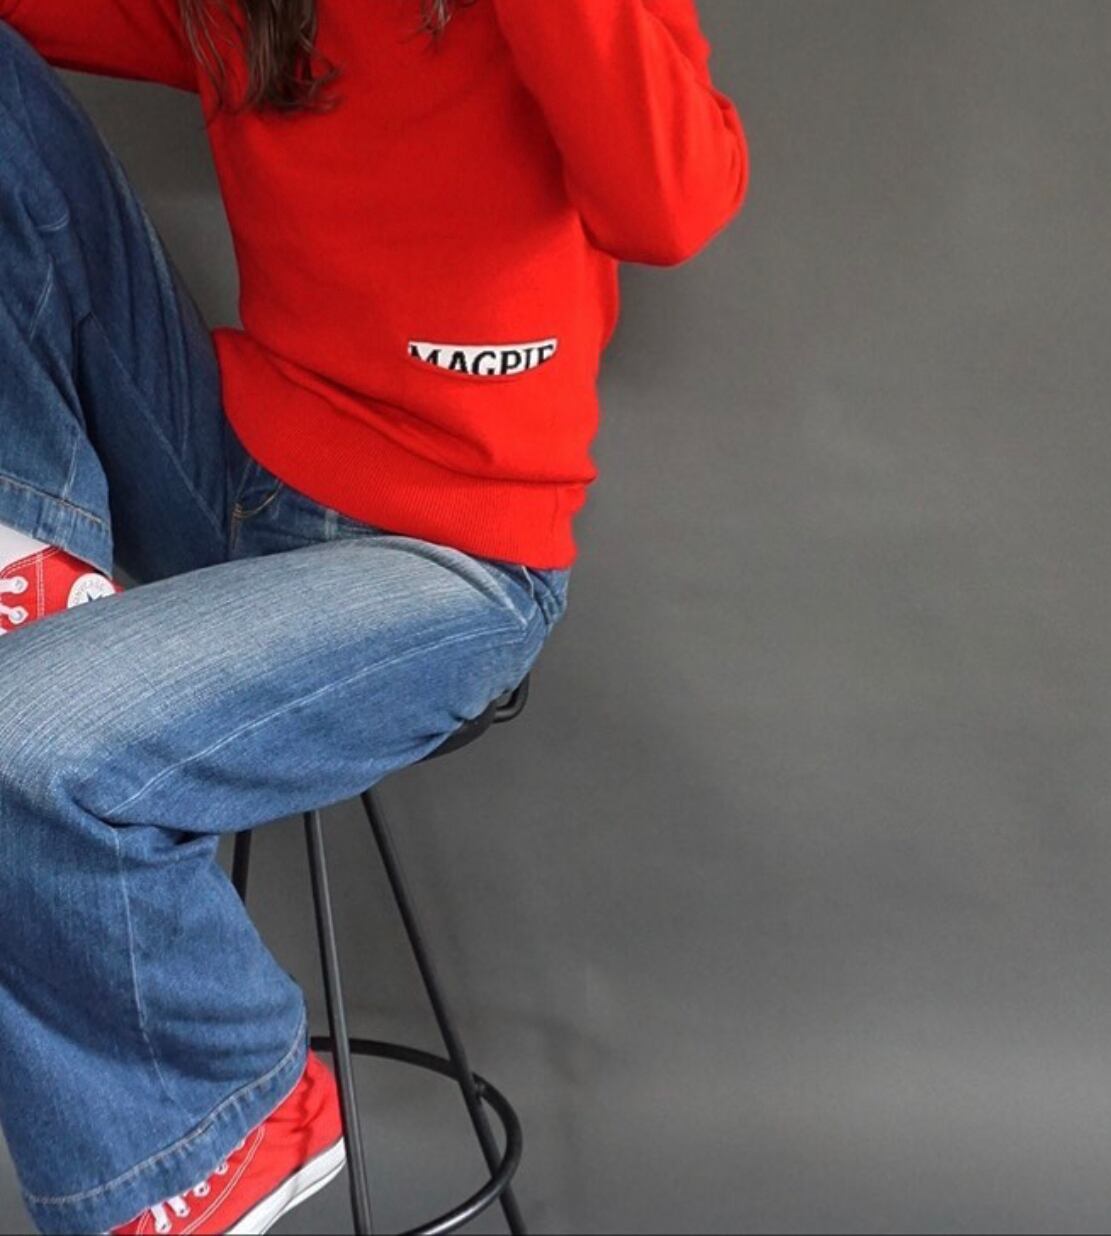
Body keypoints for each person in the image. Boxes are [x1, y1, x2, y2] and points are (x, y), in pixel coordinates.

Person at [0, 0, 750, 1231]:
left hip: (451, 568)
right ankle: (28, 548)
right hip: (227, 475)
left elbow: (669, 203)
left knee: (14, 739)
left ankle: (225, 1112)